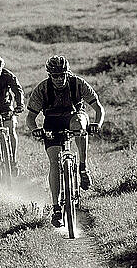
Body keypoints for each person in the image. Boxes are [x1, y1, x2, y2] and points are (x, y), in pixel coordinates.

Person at [26, 55, 105, 227]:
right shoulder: (42, 89)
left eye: (62, 75)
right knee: (54, 162)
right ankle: (56, 208)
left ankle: (83, 168)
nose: (59, 79)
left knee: (79, 124)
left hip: (74, 117)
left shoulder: (77, 83)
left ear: (67, 73)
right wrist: (35, 130)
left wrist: (96, 124)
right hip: (52, 122)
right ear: (49, 75)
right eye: (55, 76)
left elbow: (98, 107)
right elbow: (30, 117)